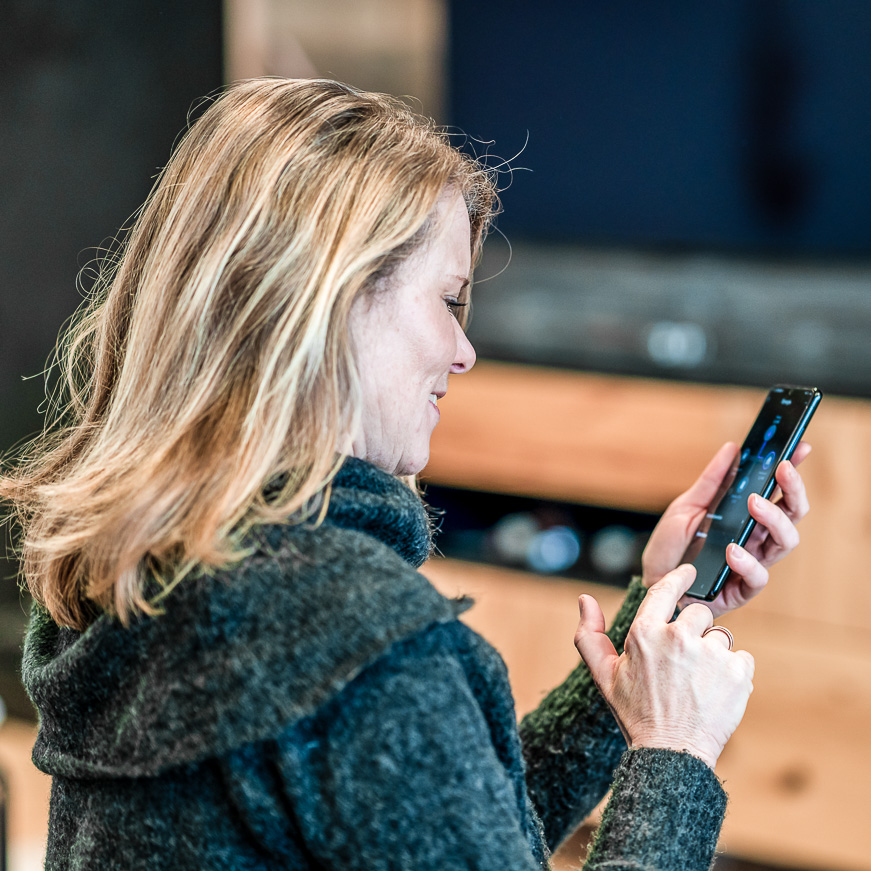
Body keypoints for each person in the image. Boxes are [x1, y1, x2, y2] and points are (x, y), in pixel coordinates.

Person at [1, 78, 811, 870]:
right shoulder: (356, 633)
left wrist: (648, 619)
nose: (463, 352)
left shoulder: (146, 565)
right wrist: (675, 750)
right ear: (334, 297)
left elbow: (436, 823)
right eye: (450, 300)